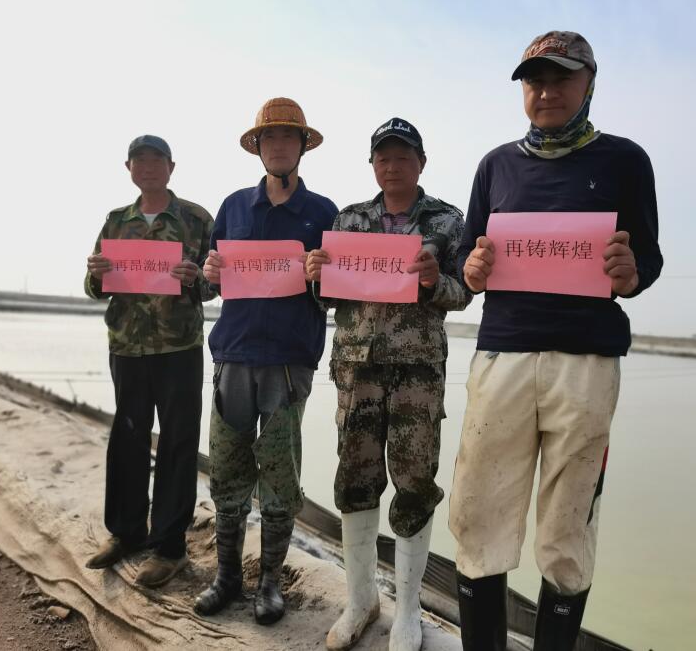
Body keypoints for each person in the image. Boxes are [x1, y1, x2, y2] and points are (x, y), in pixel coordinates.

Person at [448, 31, 663, 650]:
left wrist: (630, 273)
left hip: (586, 361)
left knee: (569, 522)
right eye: (534, 81)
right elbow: (467, 256)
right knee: (478, 513)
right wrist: (472, 269)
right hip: (503, 357)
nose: (546, 92)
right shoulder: (495, 165)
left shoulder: (626, 160)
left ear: (589, 83)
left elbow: (647, 258)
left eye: (561, 78)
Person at [305, 118, 471, 651]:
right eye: (383, 158)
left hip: (418, 370)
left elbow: (464, 290)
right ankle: (360, 601)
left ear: (421, 163)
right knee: (355, 477)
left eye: (402, 157)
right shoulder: (348, 219)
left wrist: (434, 281)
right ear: (373, 165)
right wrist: (316, 275)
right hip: (357, 366)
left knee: (414, 482)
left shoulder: (447, 220)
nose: (392, 166)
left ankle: (409, 610)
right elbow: (329, 296)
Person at [194, 98, 338, 625]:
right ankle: (227, 576)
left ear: (302, 146)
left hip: (287, 361)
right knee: (227, 470)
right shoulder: (233, 207)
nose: (278, 146)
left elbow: (335, 296)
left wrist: (322, 275)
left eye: (287, 137)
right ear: (258, 147)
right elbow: (211, 285)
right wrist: (209, 274)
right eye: (269, 138)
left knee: (280, 475)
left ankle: (271, 582)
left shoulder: (324, 213)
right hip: (233, 354)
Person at [84, 135, 214, 588]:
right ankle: (126, 533)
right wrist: (96, 274)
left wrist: (196, 278)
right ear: (129, 169)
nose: (149, 167)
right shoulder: (116, 220)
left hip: (178, 348)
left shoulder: (196, 219)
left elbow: (215, 284)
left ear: (171, 167)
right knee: (128, 438)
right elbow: (94, 285)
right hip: (127, 345)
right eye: (140, 161)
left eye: (157, 160)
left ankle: (170, 547)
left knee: (178, 442)